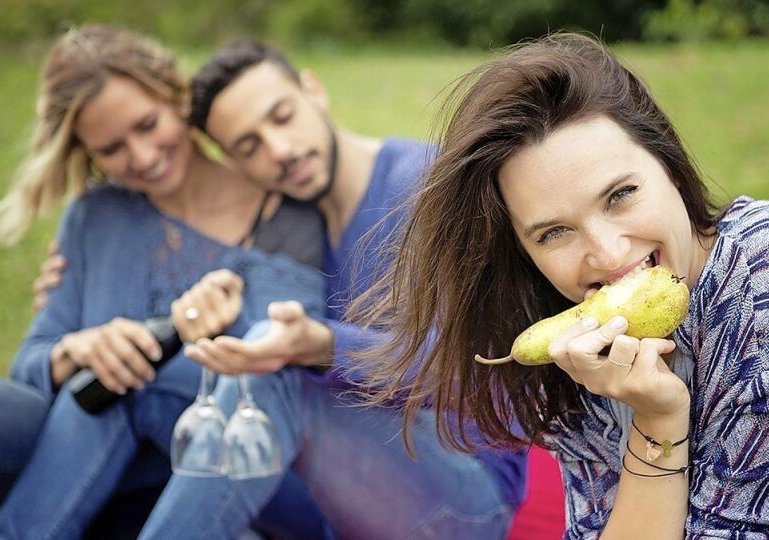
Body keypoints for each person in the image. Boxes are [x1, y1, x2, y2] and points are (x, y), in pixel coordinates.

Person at [353, 32, 769, 538]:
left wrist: (658, 424)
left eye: (620, 195)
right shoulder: (580, 343)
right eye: (554, 233)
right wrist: (654, 420)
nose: (606, 252)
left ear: (670, 167)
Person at [127, 41, 528, 539]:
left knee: (282, 378)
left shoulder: (421, 186)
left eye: (282, 116)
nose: (280, 149)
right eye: (249, 146)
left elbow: (470, 374)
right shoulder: (298, 224)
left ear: (313, 91)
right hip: (350, 484)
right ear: (235, 164)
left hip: (466, 494)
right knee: (151, 391)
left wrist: (323, 346)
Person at [0, 25, 331, 539]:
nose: (140, 156)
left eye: (147, 124)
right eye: (112, 148)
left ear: (176, 97)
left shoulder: (283, 213)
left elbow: (284, 371)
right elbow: (31, 365)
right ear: (88, 154)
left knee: (144, 374)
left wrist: (200, 333)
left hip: (220, 483)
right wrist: (80, 348)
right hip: (79, 474)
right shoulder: (95, 218)